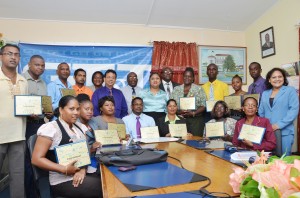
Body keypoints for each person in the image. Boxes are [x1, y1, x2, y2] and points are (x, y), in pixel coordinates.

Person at [31, 96, 103, 197]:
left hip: (80, 174)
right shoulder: (51, 128)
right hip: (61, 181)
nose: (76, 112)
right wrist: (63, 169)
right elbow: (36, 159)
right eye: (71, 109)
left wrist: (82, 170)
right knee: (103, 187)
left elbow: (84, 155)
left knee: (106, 179)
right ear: (61, 110)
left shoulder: (79, 127)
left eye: (78, 109)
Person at [22, 55, 52, 198]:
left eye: (42, 65)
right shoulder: (21, 80)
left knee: (38, 160)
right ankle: (31, 194)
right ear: (29, 65)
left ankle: (37, 192)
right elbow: (18, 104)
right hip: (27, 125)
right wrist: (27, 113)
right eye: (37, 65)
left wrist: (48, 113)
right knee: (28, 162)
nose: (40, 67)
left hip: (41, 124)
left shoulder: (43, 83)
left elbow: (43, 105)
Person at [0, 44, 28, 197]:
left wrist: (32, 112)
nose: (13, 57)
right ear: (1, 56)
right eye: (9, 53)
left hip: (18, 134)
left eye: (16, 54)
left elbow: (26, 105)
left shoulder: (24, 81)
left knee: (18, 176)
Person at [259, 68, 299, 155]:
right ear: (269, 80)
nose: (277, 79)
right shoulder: (265, 93)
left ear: (284, 78)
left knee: (284, 160)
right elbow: (261, 111)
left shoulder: (290, 90)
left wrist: (278, 125)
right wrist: (266, 126)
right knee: (268, 159)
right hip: (268, 132)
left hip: (285, 132)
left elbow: (293, 110)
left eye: (280, 77)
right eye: (274, 77)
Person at [171, 67, 207, 136]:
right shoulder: (176, 89)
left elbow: (204, 105)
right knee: (181, 142)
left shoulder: (199, 89)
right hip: (180, 120)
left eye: (190, 76)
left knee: (195, 142)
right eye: (185, 76)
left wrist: (194, 113)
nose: (187, 78)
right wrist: (179, 112)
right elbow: (171, 104)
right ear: (183, 77)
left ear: (193, 78)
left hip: (196, 121)